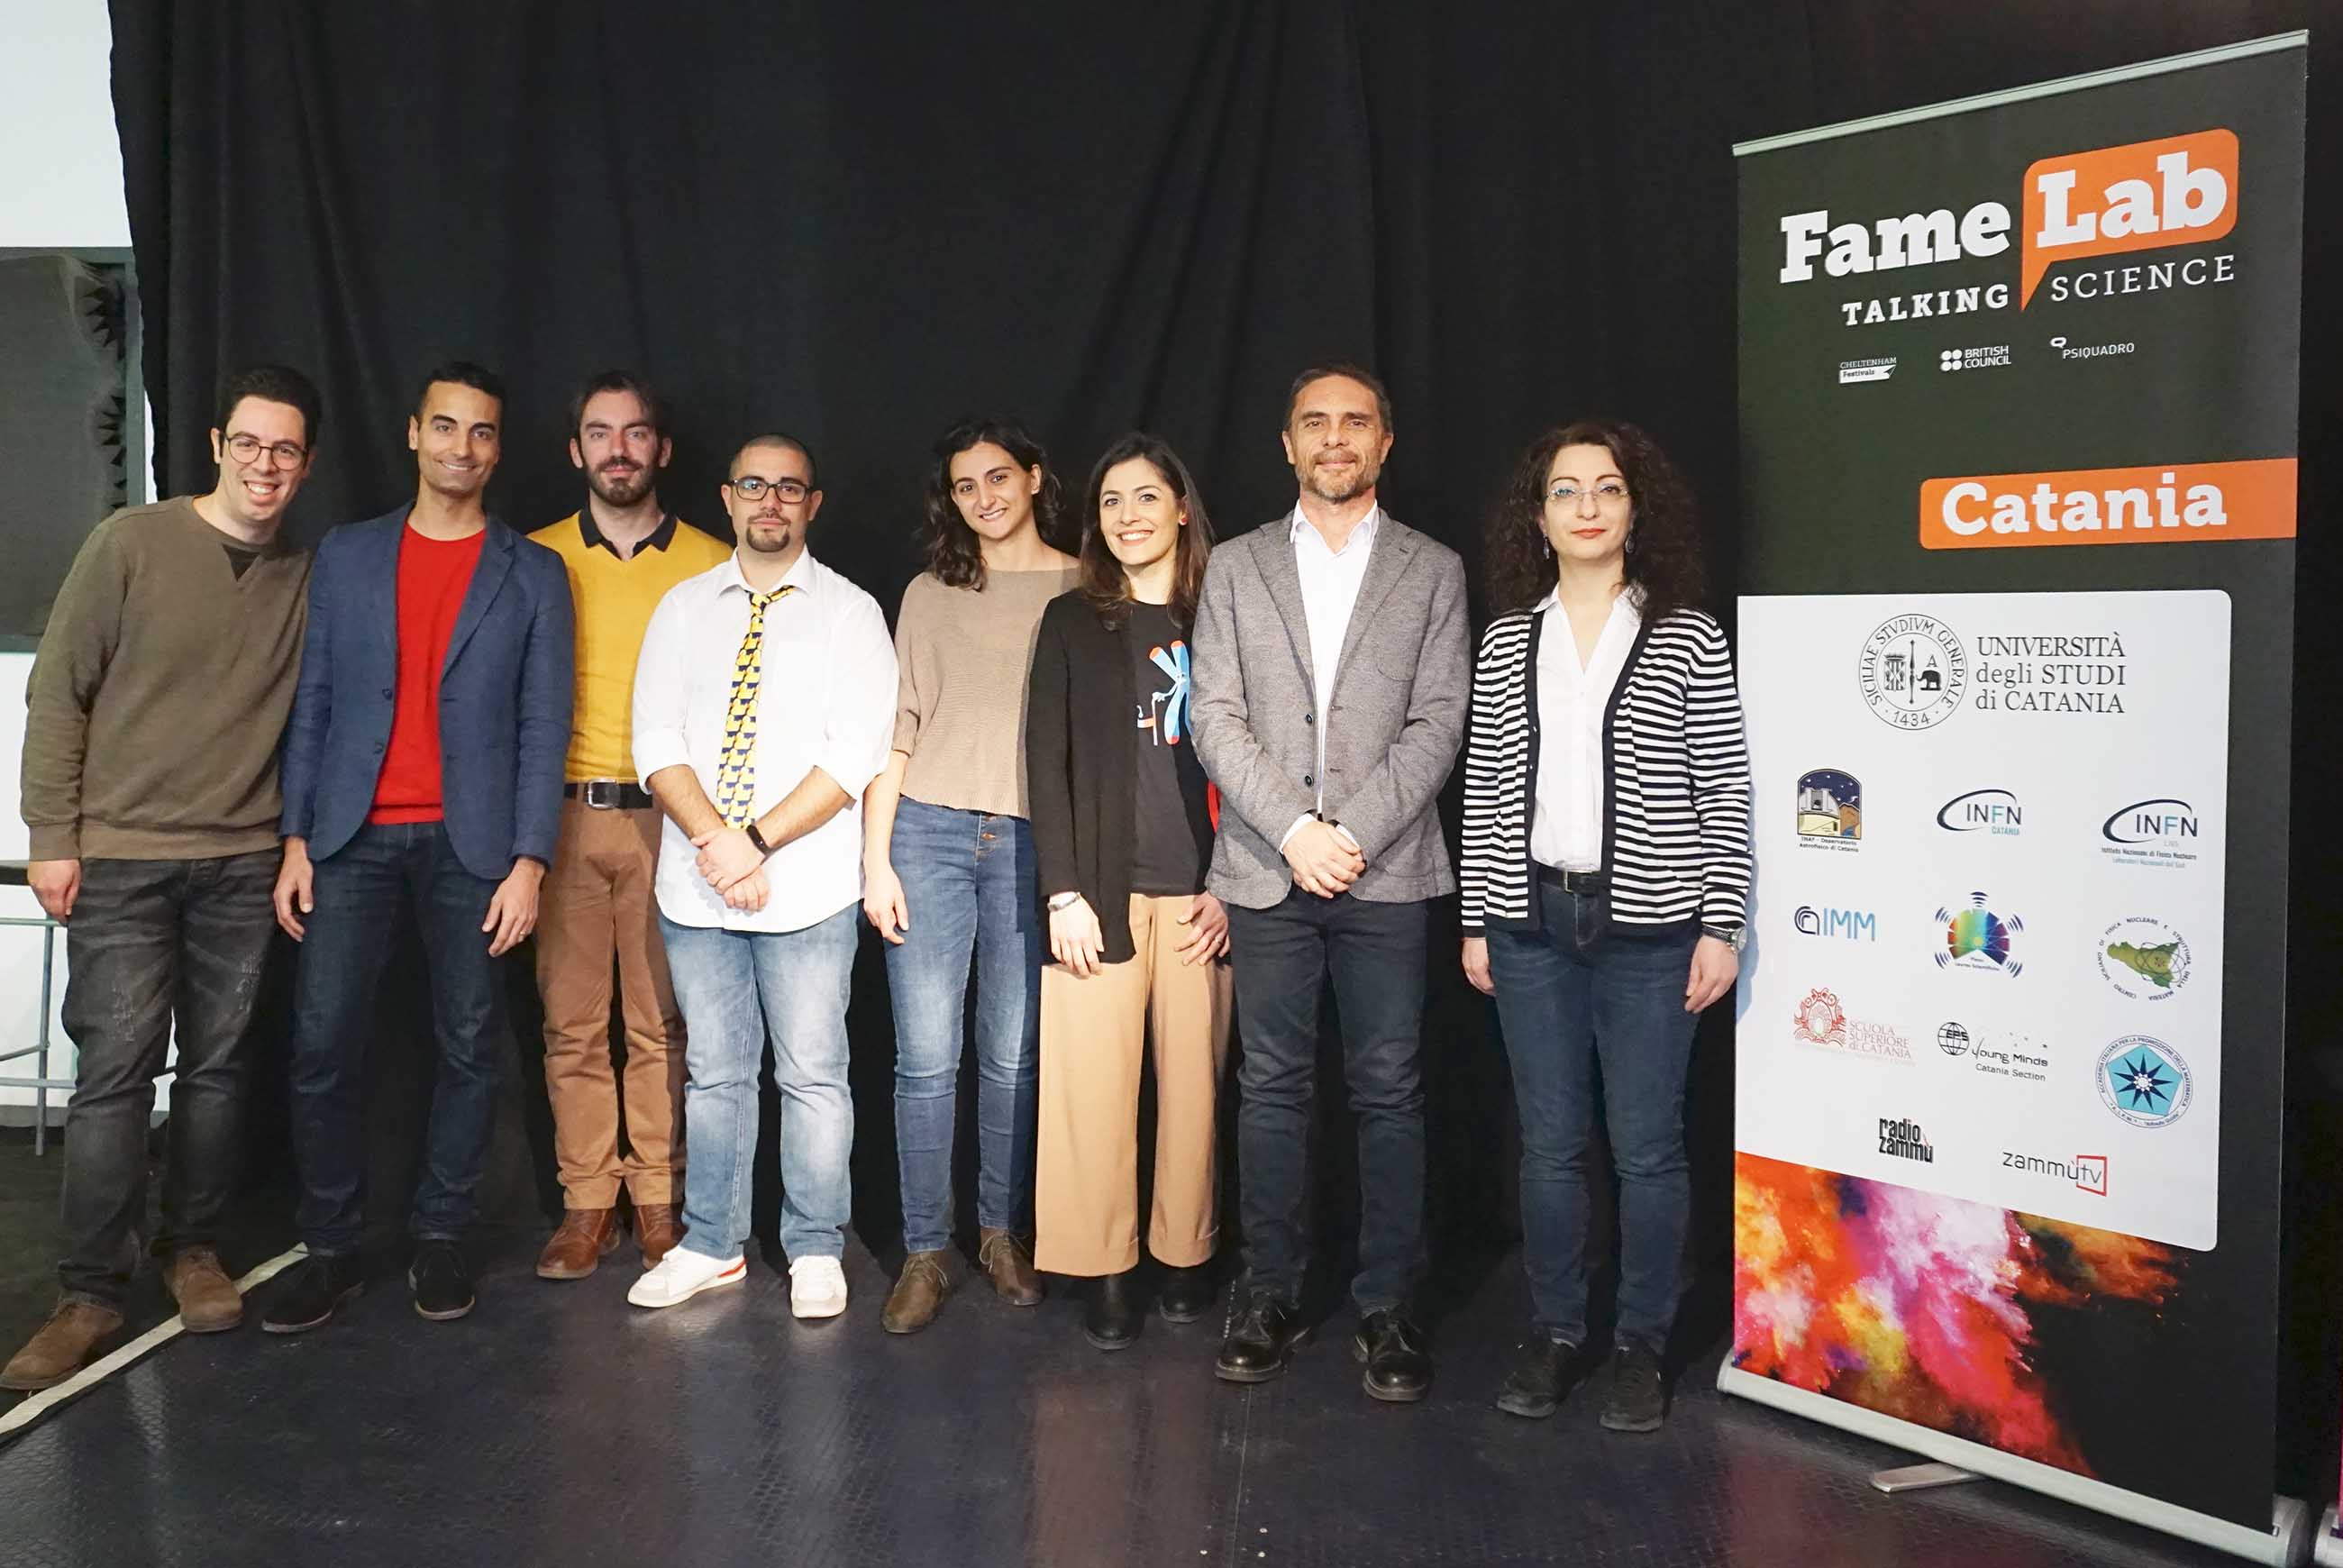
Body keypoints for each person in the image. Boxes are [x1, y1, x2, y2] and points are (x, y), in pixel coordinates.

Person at [4, 367, 322, 1389]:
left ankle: (193, 1251)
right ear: (218, 445)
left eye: (285, 450)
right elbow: (59, 692)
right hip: (122, 857)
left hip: (241, 860)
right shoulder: (130, 544)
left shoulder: (307, 575)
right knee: (115, 1075)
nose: (265, 465)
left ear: (305, 465)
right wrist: (52, 836)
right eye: (249, 444)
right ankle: (90, 1294)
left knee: (218, 1071)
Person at [263, 361, 574, 1332]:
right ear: (413, 433)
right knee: (322, 1044)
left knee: (471, 1046)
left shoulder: (533, 572)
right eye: (445, 426)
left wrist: (530, 861)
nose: (460, 447)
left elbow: (544, 726)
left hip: (473, 848)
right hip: (349, 838)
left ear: (497, 448)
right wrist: (296, 838)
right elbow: (314, 702)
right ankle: (331, 1246)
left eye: (480, 431)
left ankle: (442, 1235)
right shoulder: (348, 554)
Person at [1458, 419, 1749, 1433]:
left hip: (1653, 934)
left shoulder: (1686, 634)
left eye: (1607, 488)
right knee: (1548, 1148)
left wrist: (1723, 925)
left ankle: (1639, 1344)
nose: (1587, 506)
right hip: (1530, 925)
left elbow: (1724, 788)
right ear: (1537, 519)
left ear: (1635, 508)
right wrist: (1477, 920)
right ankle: (1554, 1332)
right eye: (1565, 491)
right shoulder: (1508, 638)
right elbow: (1487, 786)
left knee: (1646, 1150)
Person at [1190, 362, 1469, 1402]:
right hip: (1266, 870)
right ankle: (1267, 1292)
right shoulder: (1235, 565)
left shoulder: (1432, 569)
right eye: (1315, 422)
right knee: (1268, 1086)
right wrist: (1295, 831)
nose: (1335, 438)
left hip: (1385, 871)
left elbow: (1439, 720)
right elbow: (1214, 715)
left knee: (1388, 1088)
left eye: (1355, 422)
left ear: (1383, 442)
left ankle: (1388, 1303)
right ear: (1287, 443)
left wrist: (1346, 833)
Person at [624, 433, 896, 1320]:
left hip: (807, 891)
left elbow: (853, 754)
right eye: (753, 485)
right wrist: (718, 842)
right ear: (727, 497)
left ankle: (814, 1246)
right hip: (697, 887)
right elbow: (655, 739)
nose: (769, 501)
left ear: (812, 505)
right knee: (714, 1076)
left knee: (813, 1076)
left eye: (788, 488)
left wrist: (755, 842)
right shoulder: (681, 609)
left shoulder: (851, 613)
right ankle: (712, 1245)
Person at [862, 417, 1078, 1334]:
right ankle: (925, 1248)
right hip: (928, 832)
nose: (983, 497)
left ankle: (999, 1232)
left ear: (1032, 477)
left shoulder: (1080, 585)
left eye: (997, 477)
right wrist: (876, 860)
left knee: (1013, 1054)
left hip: (1034, 840)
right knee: (924, 1057)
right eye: (964, 486)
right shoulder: (929, 591)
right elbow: (900, 726)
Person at [1026, 433, 1230, 1352]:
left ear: (1181, 508)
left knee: (1193, 1092)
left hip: (1200, 897)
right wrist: (1061, 892)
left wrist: (1233, 885)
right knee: (1090, 1095)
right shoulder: (1072, 620)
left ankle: (1184, 1255)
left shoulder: (1224, 613)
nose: (1127, 516)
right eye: (1110, 501)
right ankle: (1102, 1264)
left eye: (1146, 497)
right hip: (1098, 897)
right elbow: (1046, 759)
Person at [528, 371, 730, 1281]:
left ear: (662, 449)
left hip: (673, 822)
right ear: (575, 450)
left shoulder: (714, 563)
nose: (618, 449)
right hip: (564, 818)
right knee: (571, 1024)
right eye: (600, 432)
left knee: (660, 1023)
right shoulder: (533, 558)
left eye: (636, 432)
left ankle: (657, 1199)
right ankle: (585, 1205)